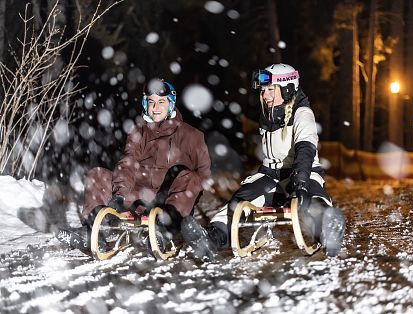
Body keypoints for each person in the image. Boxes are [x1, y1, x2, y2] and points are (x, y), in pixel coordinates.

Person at [182, 63, 346, 260]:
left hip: (302, 171)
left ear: (287, 89)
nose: (265, 95)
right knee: (239, 202)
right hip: (271, 175)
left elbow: (306, 149)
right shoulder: (269, 114)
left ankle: (329, 231)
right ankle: (212, 238)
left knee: (311, 200)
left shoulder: (302, 114)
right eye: (263, 90)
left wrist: (300, 183)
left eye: (270, 90)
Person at [55, 78, 212, 255]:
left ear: (171, 104)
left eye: (161, 102)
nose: (155, 107)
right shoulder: (139, 132)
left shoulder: (191, 135)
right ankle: (92, 232)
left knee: (189, 176)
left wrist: (184, 204)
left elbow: (203, 175)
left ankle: (165, 229)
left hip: (169, 201)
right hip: (137, 195)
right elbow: (128, 162)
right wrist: (120, 195)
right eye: (151, 102)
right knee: (97, 174)